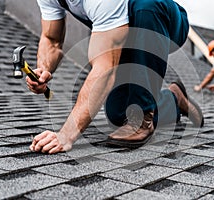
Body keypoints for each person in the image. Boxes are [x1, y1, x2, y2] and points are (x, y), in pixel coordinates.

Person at [28, 0, 204, 154]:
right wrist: (43, 70)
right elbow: (51, 39)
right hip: (122, 29)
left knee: (147, 4)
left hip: (163, 18)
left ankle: (144, 118)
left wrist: (66, 135)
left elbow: (105, 69)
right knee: (119, 114)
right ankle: (174, 98)